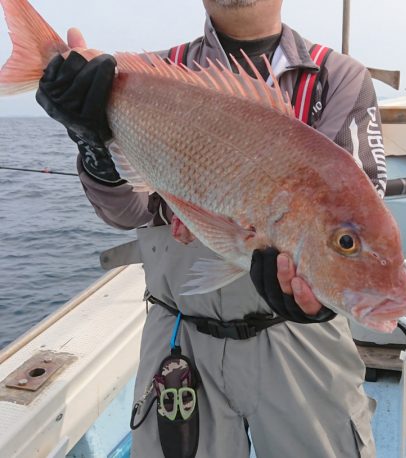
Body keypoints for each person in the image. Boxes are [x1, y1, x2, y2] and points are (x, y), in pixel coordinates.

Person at [36, 0, 387, 456]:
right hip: (178, 332)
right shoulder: (157, 75)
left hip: (299, 336)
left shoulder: (335, 77)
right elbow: (129, 211)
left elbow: (357, 219)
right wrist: (89, 138)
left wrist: (317, 302)